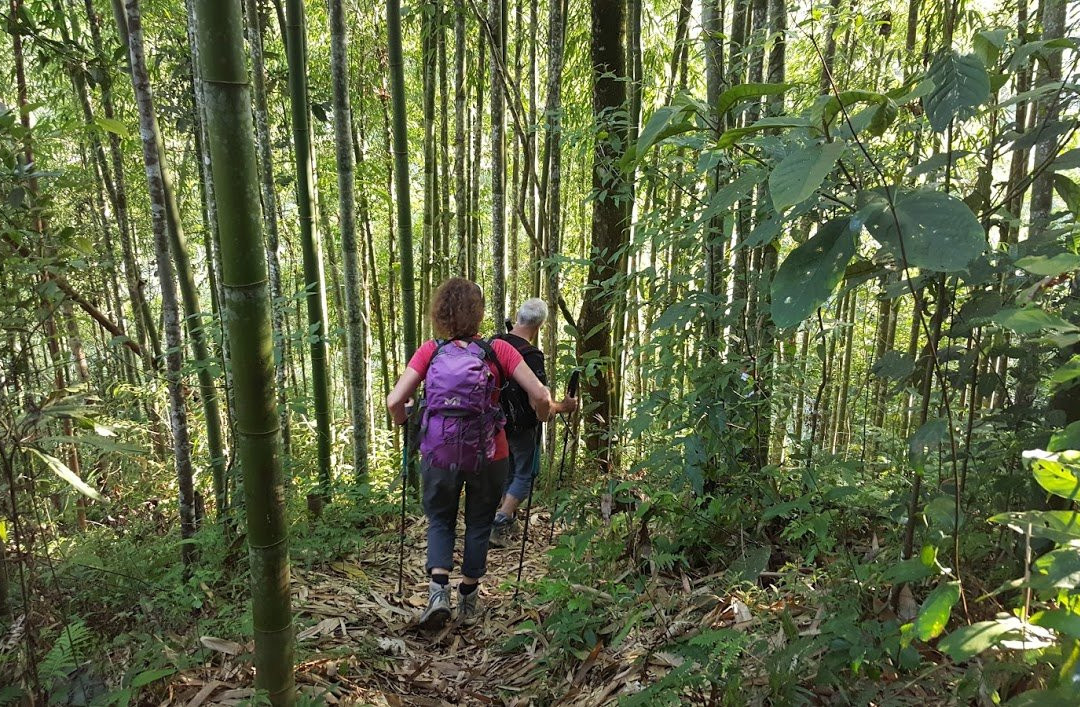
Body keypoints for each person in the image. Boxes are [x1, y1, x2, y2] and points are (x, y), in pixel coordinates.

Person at [386, 278, 552, 630]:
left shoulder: (430, 350)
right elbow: (539, 395)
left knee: (441, 520)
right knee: (479, 522)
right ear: (478, 314)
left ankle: (437, 594)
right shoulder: (498, 351)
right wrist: (543, 415)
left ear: (440, 313)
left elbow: (394, 401)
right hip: (490, 453)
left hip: (439, 452)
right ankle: (469, 597)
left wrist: (406, 421)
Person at [489, 298, 578, 548]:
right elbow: (539, 403)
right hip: (521, 427)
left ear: (518, 317)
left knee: (508, 471)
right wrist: (563, 406)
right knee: (525, 474)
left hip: (494, 424)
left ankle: (506, 519)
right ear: (539, 326)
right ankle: (502, 520)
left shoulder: (492, 344)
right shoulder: (531, 355)